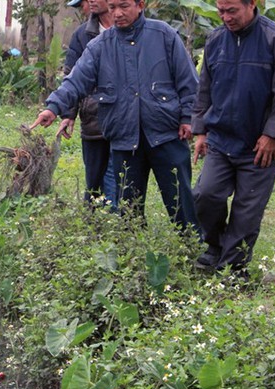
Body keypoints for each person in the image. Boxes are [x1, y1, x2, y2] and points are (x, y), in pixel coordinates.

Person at [31, 0, 199, 230]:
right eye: (112, 8)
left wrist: (188, 118)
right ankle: (131, 257)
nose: (117, 13)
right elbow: (76, 80)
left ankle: (192, 250)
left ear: (140, 5)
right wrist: (54, 107)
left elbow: (188, 82)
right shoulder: (100, 45)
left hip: (165, 134)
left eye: (124, 6)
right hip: (124, 137)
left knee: (181, 203)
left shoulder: (163, 35)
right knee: (128, 210)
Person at [191, 0, 275, 272]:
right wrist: (200, 130)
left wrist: (272, 134)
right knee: (205, 196)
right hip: (221, 139)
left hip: (260, 145)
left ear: (251, 4)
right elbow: (204, 89)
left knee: (246, 212)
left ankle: (232, 269)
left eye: (232, 11)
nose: (225, 17)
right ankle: (215, 246)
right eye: (220, 11)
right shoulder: (216, 40)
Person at [63, 0, 117, 206]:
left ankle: (119, 223)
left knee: (119, 175)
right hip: (93, 118)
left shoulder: (135, 31)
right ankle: (93, 222)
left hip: (125, 119)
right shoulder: (82, 34)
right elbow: (71, 75)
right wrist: (69, 114)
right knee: (94, 180)